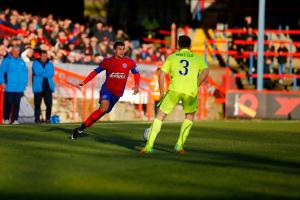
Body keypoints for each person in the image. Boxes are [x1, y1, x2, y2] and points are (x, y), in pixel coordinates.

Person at [140, 35, 209, 154]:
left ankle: (148, 146)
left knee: (160, 117)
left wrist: (162, 92)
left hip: (174, 90)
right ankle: (179, 146)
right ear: (190, 46)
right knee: (189, 117)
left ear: (178, 45)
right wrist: (196, 83)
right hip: (190, 92)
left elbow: (161, 74)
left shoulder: (172, 57)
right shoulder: (198, 58)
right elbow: (206, 71)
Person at [71, 41, 140, 139]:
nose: (122, 51)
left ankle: (81, 128)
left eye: (123, 49)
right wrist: (84, 81)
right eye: (119, 49)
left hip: (117, 93)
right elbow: (96, 71)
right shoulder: (107, 61)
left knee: (103, 111)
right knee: (103, 108)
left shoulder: (129, 62)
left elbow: (136, 73)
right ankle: (80, 128)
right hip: (107, 89)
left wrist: (137, 85)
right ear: (114, 50)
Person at [0, 46, 28, 124]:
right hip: (9, 87)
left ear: (19, 52)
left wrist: (24, 83)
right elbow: (1, 72)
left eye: (17, 51)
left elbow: (25, 73)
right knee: (8, 103)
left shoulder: (22, 62)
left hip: (19, 87)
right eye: (14, 51)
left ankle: (15, 119)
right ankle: (6, 118)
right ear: (12, 51)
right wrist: (2, 82)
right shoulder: (7, 61)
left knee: (17, 104)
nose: (16, 52)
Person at [32, 50, 55, 123]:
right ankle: (37, 119)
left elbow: (51, 73)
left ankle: (48, 119)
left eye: (46, 56)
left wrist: (42, 73)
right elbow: (36, 72)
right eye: (43, 56)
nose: (44, 57)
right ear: (40, 56)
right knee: (37, 104)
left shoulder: (50, 64)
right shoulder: (35, 63)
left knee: (49, 104)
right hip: (38, 87)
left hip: (48, 87)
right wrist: (46, 73)